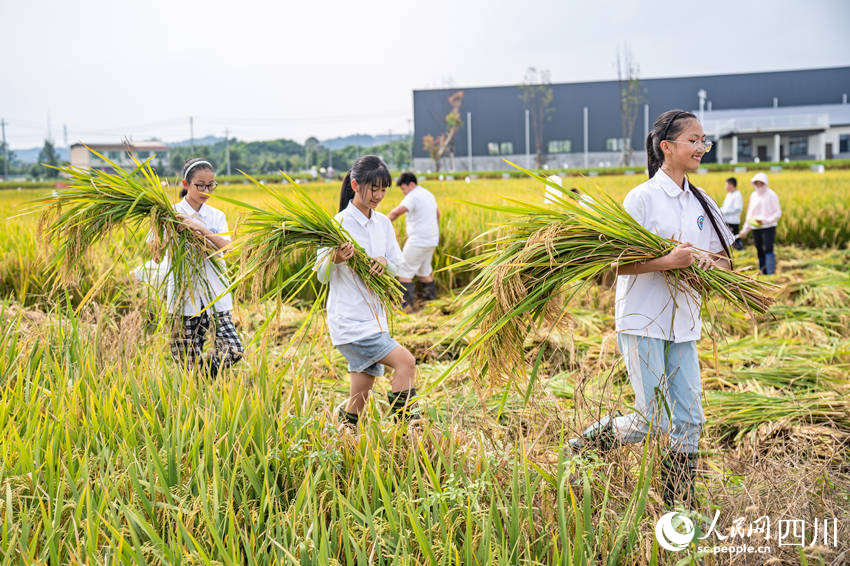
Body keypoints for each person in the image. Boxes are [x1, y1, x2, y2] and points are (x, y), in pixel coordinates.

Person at [569, 110, 734, 508]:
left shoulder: (703, 201)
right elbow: (613, 264)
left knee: (690, 420)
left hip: (685, 323)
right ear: (667, 147)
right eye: (693, 140)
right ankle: (585, 447)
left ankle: (680, 508)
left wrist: (711, 263)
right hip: (644, 318)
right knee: (654, 419)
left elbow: (727, 258)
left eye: (703, 140)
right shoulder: (641, 198)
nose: (701, 147)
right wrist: (668, 262)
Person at [316, 156, 419, 430]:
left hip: (375, 320)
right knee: (406, 362)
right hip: (351, 322)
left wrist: (385, 263)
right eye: (373, 189)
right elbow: (320, 274)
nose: (379, 195)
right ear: (355, 185)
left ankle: (342, 433)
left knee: (360, 394)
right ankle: (407, 430)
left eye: (384, 189)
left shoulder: (384, 223)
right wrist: (336, 258)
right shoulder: (337, 224)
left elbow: (399, 264)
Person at [164, 158, 244, 379]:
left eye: (211, 185)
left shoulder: (216, 216)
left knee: (234, 349)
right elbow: (157, 253)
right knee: (186, 361)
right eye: (200, 185)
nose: (206, 190)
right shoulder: (169, 214)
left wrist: (200, 229)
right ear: (186, 184)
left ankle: (207, 373)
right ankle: (198, 397)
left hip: (215, 296)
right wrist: (171, 234)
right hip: (184, 298)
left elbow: (228, 249)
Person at [388, 172, 440, 310]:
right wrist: (434, 232)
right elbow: (438, 214)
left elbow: (396, 212)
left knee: (403, 272)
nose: (404, 193)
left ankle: (406, 308)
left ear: (411, 185)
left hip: (418, 240)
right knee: (424, 272)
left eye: (404, 189)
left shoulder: (413, 196)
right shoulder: (428, 194)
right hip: (431, 240)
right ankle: (431, 306)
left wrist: (382, 224)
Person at [736, 172, 781, 275]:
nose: (759, 185)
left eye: (761, 183)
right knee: (759, 249)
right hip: (756, 228)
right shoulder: (753, 195)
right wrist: (745, 230)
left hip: (768, 227)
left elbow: (778, 213)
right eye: (757, 183)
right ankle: (763, 271)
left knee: (768, 249)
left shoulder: (771, 194)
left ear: (765, 183)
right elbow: (750, 214)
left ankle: (770, 273)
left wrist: (765, 221)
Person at [720, 177, 744, 250]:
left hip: (733, 221)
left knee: (735, 239)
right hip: (727, 220)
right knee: (729, 239)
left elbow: (738, 208)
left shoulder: (737, 195)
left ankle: (740, 251)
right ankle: (735, 253)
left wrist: (724, 212)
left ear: (731, 185)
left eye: (726, 185)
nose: (725, 187)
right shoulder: (729, 195)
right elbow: (725, 206)